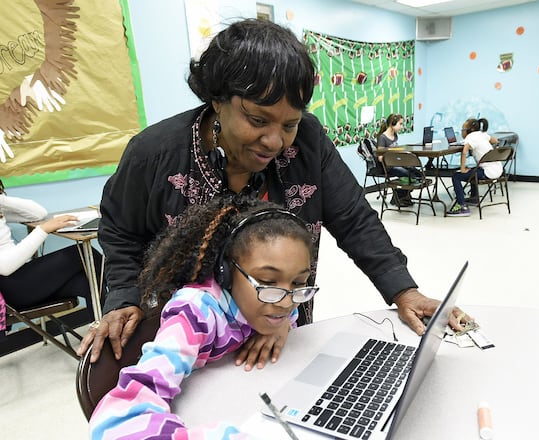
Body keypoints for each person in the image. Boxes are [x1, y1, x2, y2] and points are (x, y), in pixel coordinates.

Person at [78, 19, 467, 367]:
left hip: (281, 332)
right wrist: (125, 297)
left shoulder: (308, 143)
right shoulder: (155, 154)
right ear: (217, 99)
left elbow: (353, 219)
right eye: (258, 119)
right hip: (187, 343)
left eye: (290, 124)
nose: (274, 141)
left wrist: (403, 289)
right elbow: (121, 230)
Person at [89, 196, 317, 438]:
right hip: (196, 414)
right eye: (268, 282)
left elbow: (289, 307)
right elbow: (116, 421)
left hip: (237, 398)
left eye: (298, 283)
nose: (286, 301)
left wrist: (280, 328)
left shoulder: (280, 299)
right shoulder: (194, 313)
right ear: (226, 272)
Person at [0, 178, 101, 316]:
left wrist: (2, 199)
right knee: (80, 254)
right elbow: (5, 267)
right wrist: (43, 230)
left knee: (88, 283)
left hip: (20, 280)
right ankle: (131, 295)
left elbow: (37, 213)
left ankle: (106, 332)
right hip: (10, 289)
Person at [446, 118, 504, 217]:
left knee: (456, 176)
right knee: (473, 169)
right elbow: (495, 140)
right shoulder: (482, 134)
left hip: (488, 172)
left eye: (463, 129)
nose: (462, 132)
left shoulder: (470, 137)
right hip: (498, 170)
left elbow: (464, 152)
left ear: (470, 130)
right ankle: (474, 198)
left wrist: (463, 168)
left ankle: (462, 207)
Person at [375, 113, 415, 207]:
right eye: (400, 124)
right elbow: (380, 158)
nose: (401, 126)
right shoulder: (382, 138)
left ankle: (402, 196)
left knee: (416, 173)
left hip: (397, 163)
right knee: (407, 174)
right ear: (392, 124)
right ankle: (398, 196)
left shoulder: (395, 136)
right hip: (388, 166)